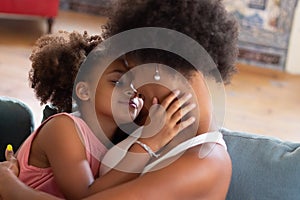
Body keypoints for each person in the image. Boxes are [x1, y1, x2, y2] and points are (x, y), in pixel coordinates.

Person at [0, 0, 239, 199]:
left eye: (136, 71)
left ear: (163, 67)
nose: (135, 87)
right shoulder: (153, 117)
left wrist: (13, 190)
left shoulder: (206, 162)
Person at [0, 30, 195, 200]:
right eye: (118, 82)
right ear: (84, 92)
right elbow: (86, 195)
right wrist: (149, 143)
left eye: (138, 86)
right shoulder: (63, 128)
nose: (133, 91)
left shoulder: (119, 142)